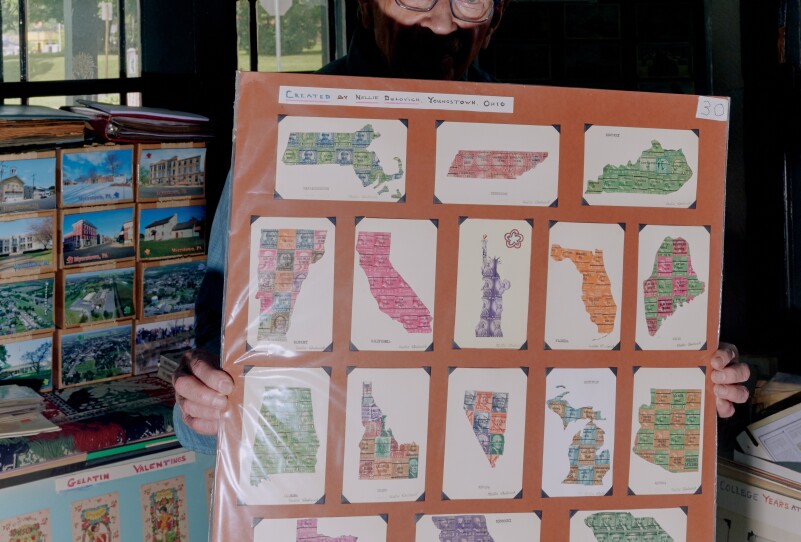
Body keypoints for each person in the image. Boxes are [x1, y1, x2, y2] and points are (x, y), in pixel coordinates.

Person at [173, 0, 751, 450]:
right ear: (364, 5)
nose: (443, 22)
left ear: (496, 20)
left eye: (471, 2)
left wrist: (694, 384)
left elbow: (601, 342)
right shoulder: (281, 132)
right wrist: (201, 407)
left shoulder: (546, 147)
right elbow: (212, 365)